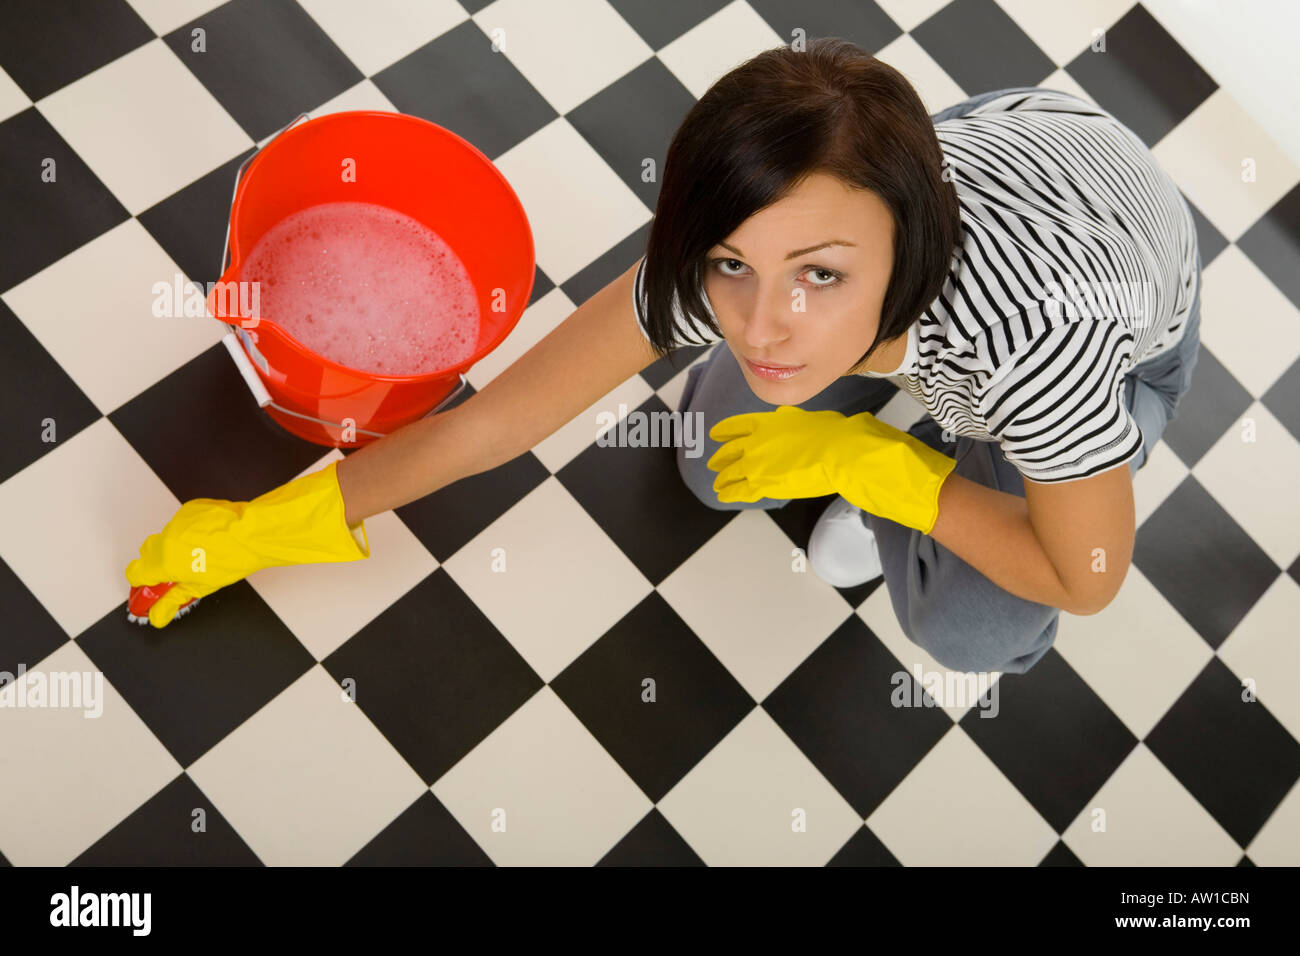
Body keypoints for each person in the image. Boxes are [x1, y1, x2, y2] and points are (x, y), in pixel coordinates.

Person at [127, 39, 1202, 681]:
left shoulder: (1039, 342)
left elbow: (1089, 575)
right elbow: (495, 423)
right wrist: (271, 523)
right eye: (732, 264)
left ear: (902, 239)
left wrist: (874, 468)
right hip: (999, 147)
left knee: (970, 624)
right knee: (706, 457)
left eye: (815, 276)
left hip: (1120, 303)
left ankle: (903, 470)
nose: (760, 324)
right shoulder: (754, 246)